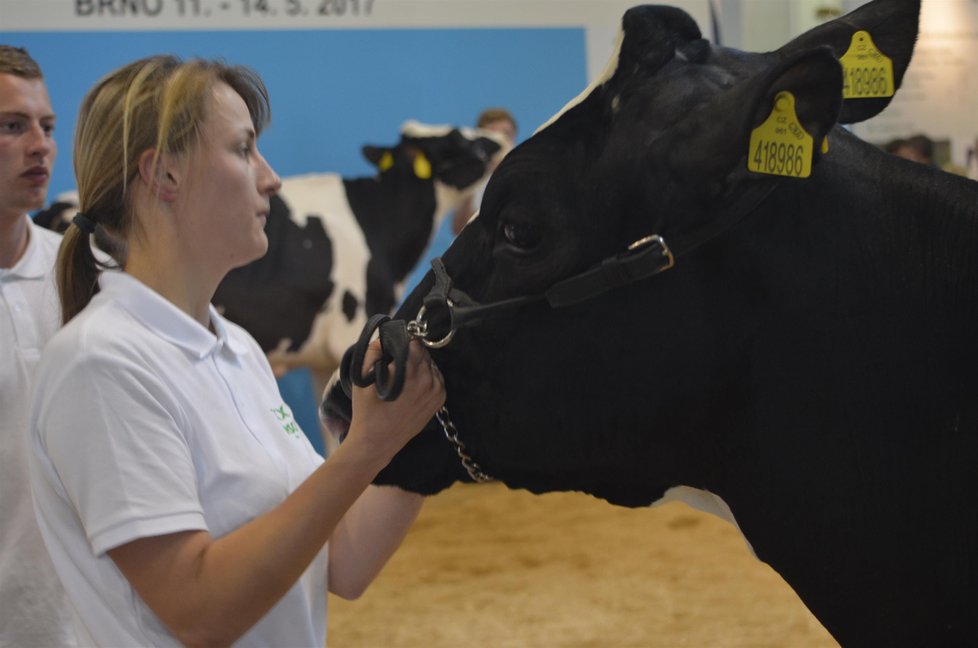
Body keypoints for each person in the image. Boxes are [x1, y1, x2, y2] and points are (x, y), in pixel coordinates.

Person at [28, 54, 445, 647]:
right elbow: (200, 611)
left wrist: (421, 428)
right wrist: (366, 446)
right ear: (163, 176)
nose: (271, 177)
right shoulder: (100, 363)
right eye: (244, 148)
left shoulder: (239, 349)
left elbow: (344, 561)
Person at [0, 45, 76, 647]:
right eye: (12, 126)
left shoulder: (81, 277)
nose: (40, 145)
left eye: (46, 126)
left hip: (75, 619)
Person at [451, 107, 517, 234]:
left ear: (514, 139)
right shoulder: (471, 178)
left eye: (506, 134)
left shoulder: (524, 177)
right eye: (492, 134)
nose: (500, 140)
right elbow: (458, 229)